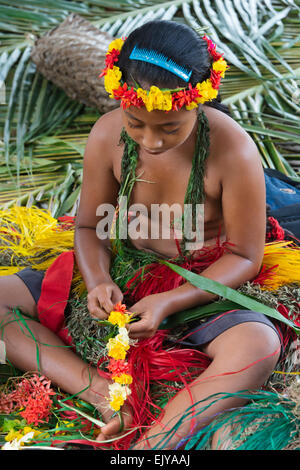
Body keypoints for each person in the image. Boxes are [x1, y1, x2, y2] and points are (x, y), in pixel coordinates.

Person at [0, 20, 282, 449]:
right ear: (122, 102)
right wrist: (98, 281)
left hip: (203, 282)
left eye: (170, 128)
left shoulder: (233, 149)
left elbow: (246, 256)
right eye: (136, 124)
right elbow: (89, 226)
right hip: (124, 268)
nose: (151, 141)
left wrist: (170, 299)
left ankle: (154, 445)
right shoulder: (107, 133)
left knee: (259, 344)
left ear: (198, 103)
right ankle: (104, 395)